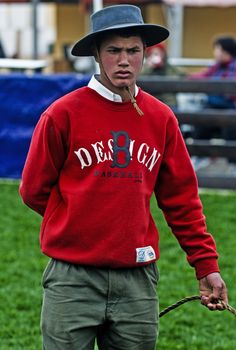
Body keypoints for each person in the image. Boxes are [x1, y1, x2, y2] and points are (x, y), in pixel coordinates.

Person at [19, 5, 228, 350]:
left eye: (133, 50)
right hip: (72, 278)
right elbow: (32, 190)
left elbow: (182, 201)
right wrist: (79, 221)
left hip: (137, 277)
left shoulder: (161, 118)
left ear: (146, 54)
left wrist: (207, 266)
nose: (124, 60)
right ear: (98, 55)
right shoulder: (62, 115)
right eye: (114, 50)